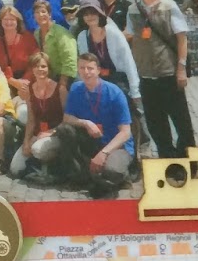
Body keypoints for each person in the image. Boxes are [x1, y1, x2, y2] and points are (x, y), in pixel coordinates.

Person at [33, 51, 134, 196]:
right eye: (82, 68)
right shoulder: (76, 88)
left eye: (90, 68)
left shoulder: (114, 93)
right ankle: (79, 175)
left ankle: (120, 175)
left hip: (115, 145)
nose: (86, 72)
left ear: (98, 70)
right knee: (65, 130)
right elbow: (67, 118)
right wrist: (86, 123)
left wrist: (104, 153)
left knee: (111, 171)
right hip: (92, 141)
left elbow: (125, 132)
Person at [125, 0, 194, 157]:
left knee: (181, 120)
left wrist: (181, 68)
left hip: (168, 72)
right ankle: (167, 159)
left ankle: (188, 159)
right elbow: (129, 34)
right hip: (146, 75)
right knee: (156, 123)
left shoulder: (168, 6)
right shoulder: (133, 10)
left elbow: (182, 38)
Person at [9, 51, 67, 180]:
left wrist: (51, 132)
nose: (40, 69)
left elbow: (67, 119)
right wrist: (26, 141)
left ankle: (49, 168)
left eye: (43, 66)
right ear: (32, 69)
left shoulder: (60, 89)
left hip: (56, 133)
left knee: (37, 149)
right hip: (38, 133)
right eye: (36, 66)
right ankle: (37, 167)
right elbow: (31, 119)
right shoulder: (30, 89)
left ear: (49, 69)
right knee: (15, 169)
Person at [75, 1, 140, 102]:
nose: (90, 17)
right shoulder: (82, 37)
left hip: (119, 83)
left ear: (100, 14)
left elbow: (128, 62)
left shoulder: (114, 33)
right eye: (86, 14)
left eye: (93, 13)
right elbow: (84, 66)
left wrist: (135, 91)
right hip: (96, 84)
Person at [32, 0, 78, 91]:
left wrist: (62, 84)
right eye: (37, 12)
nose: (40, 15)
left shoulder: (61, 33)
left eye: (43, 12)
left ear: (49, 14)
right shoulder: (36, 33)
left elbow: (70, 60)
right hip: (49, 78)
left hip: (67, 79)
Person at [0, 6, 36, 99]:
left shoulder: (28, 38)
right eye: (5, 19)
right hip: (5, 85)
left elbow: (36, 62)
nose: (8, 22)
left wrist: (24, 82)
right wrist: (12, 81)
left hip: (27, 85)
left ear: (18, 21)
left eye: (12, 19)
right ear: (0, 22)